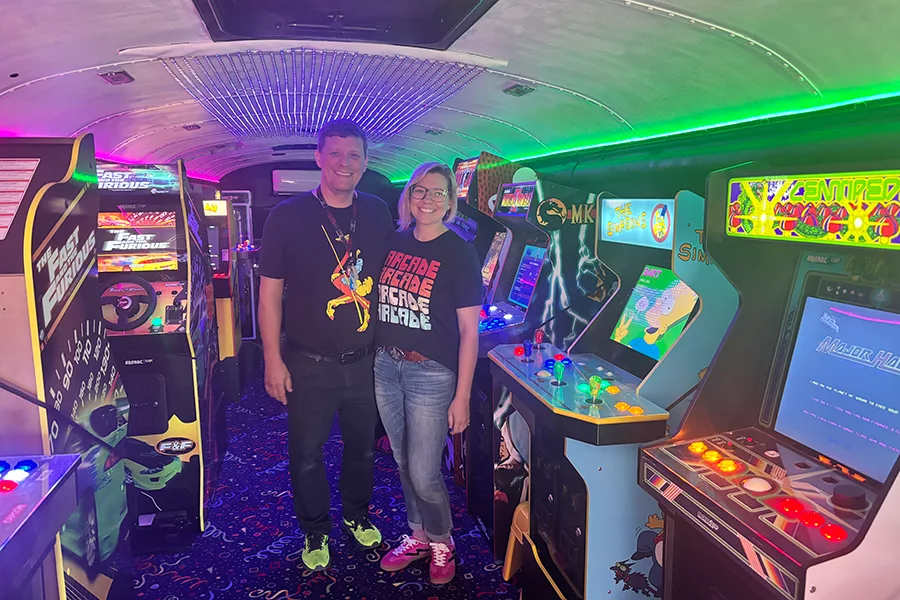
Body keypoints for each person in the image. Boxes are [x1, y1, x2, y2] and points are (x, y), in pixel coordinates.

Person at [257, 118, 393, 572]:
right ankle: (315, 530)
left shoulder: (376, 212)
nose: (344, 163)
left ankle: (356, 516)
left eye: (354, 155)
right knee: (307, 455)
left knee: (363, 450)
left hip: (364, 363)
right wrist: (272, 359)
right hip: (307, 363)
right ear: (318, 157)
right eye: (335, 153)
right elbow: (270, 292)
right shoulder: (287, 216)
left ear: (366, 162)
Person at [373, 162, 482, 585]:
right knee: (403, 461)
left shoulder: (459, 252)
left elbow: (470, 330)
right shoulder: (394, 242)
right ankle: (417, 535)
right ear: (409, 197)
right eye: (420, 191)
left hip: (431, 373)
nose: (428, 200)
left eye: (439, 193)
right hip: (386, 365)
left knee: (424, 469)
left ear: (451, 201)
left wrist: (463, 395)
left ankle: (442, 540)